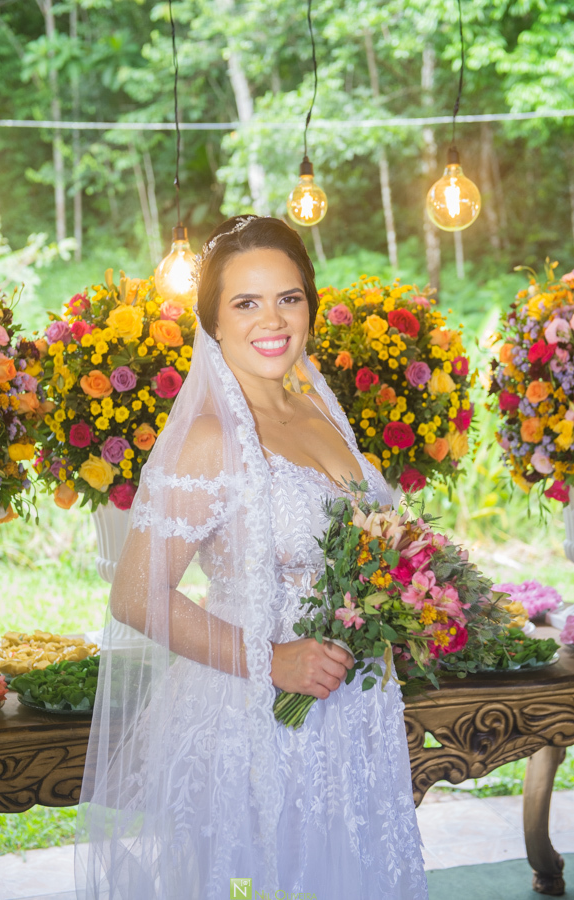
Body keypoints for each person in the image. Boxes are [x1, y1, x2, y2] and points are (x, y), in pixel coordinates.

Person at [75, 216, 428, 900]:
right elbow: (136, 596)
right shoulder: (211, 437)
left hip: (353, 709)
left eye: (288, 298)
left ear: (309, 306)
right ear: (212, 321)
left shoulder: (319, 413)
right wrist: (274, 660)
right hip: (257, 713)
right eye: (246, 302)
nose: (272, 320)